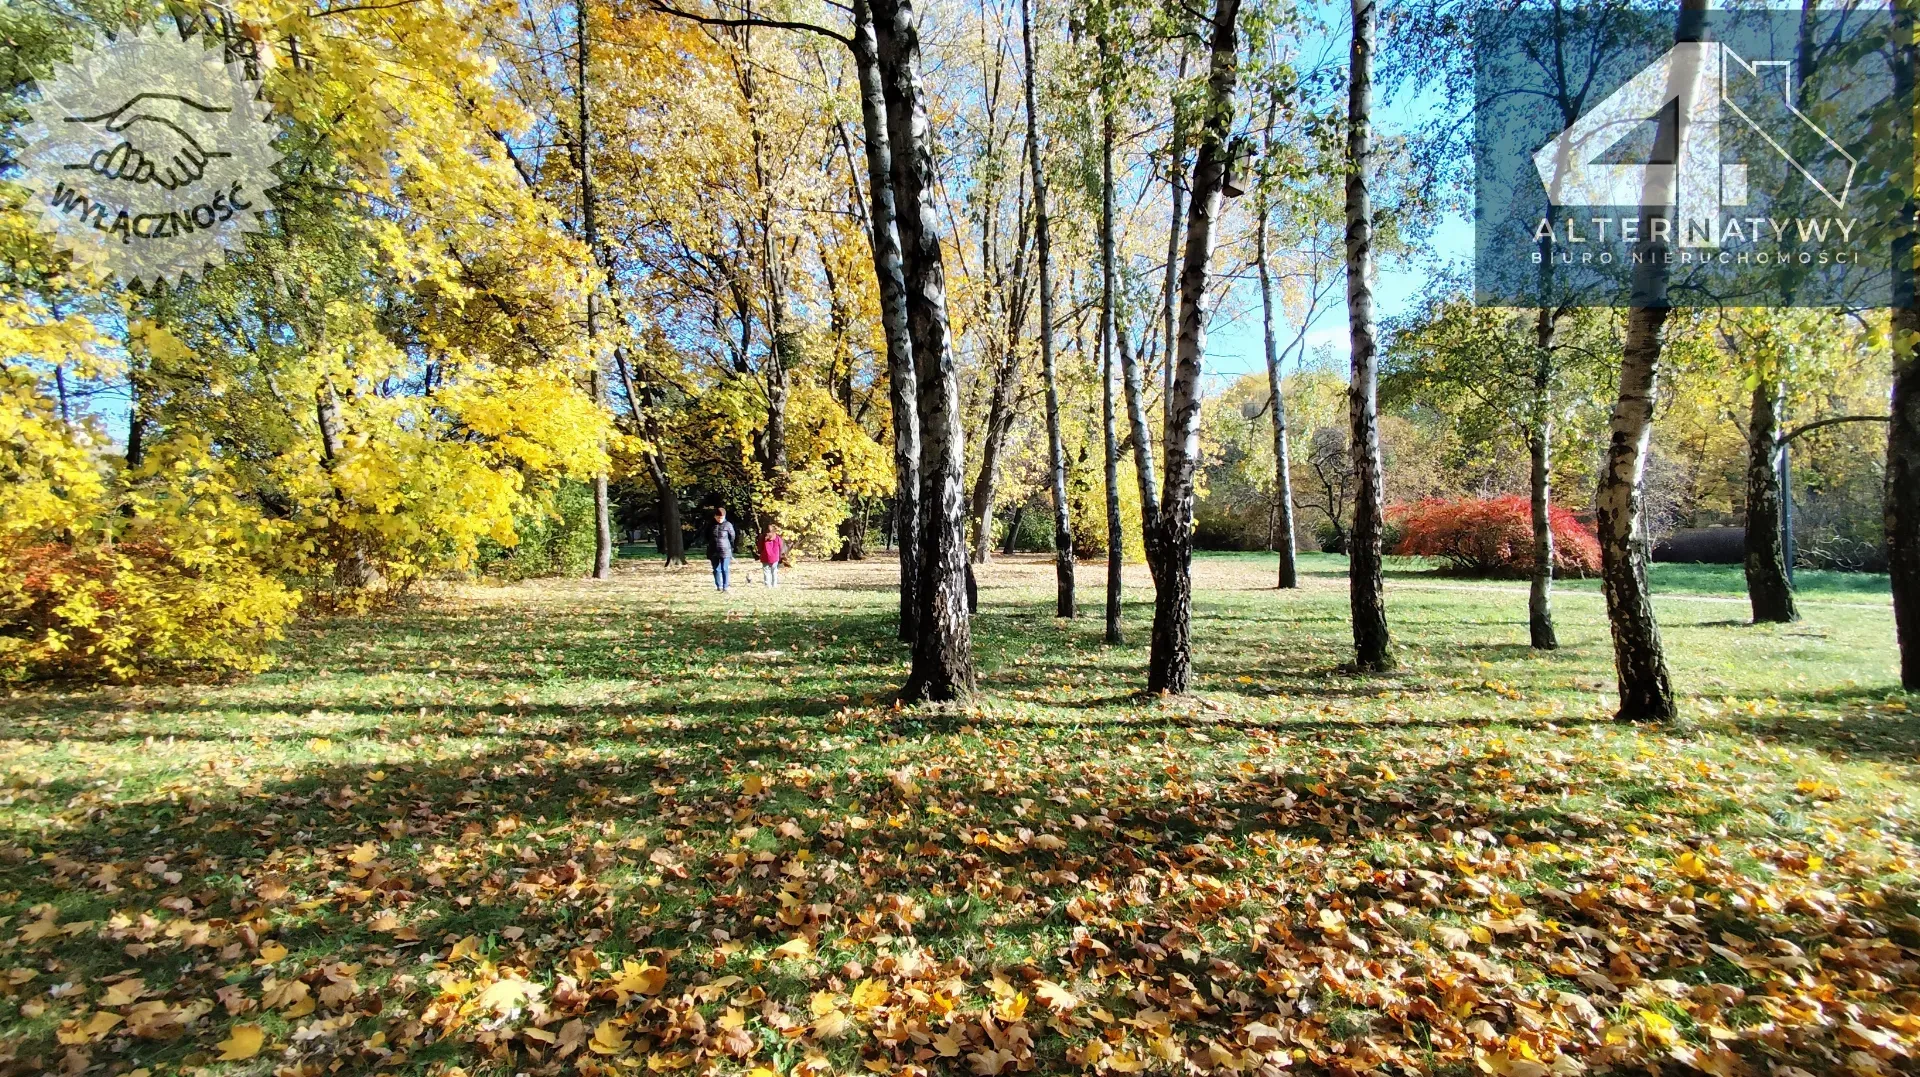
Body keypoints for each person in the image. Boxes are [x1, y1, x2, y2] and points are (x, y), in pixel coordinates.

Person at [704, 506, 736, 592]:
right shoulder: (710, 525)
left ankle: (725, 586)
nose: (720, 519)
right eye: (718, 517)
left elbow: (732, 537)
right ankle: (718, 586)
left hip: (725, 550)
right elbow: (706, 535)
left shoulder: (728, 525)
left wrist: (730, 547)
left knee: (724, 568)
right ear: (715, 516)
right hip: (713, 550)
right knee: (716, 569)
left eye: (721, 518)